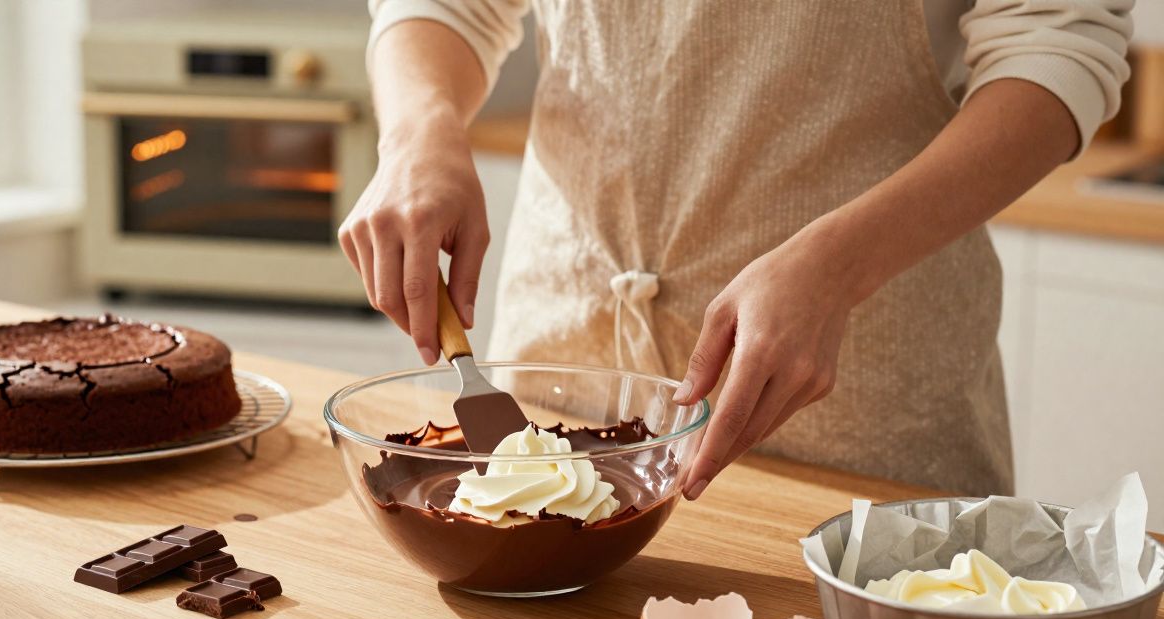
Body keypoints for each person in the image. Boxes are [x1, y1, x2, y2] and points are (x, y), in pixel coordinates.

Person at [341, 0, 1133, 499]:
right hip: (559, 370)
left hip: (861, 420)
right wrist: (417, 130)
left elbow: (1055, 47)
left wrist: (841, 264)